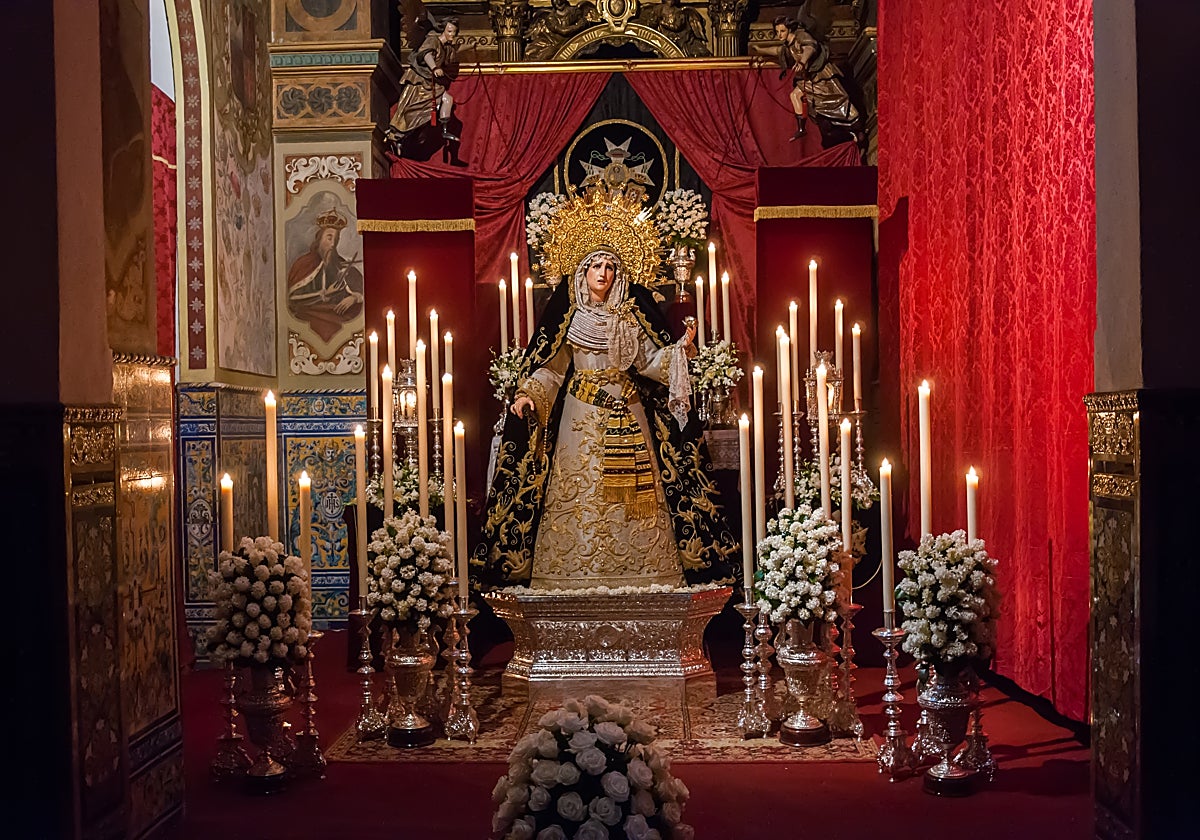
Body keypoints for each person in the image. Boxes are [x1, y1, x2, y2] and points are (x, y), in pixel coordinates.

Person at [475, 243, 738, 591]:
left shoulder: (629, 317)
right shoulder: (570, 319)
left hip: (629, 415)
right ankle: (571, 574)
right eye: (595, 266)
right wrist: (529, 395)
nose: (603, 273)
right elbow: (551, 371)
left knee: (638, 495)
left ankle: (646, 573)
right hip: (581, 417)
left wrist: (678, 353)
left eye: (610, 267)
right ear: (582, 273)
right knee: (579, 494)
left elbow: (648, 364)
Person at [774, 15, 861, 145]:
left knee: (837, 102)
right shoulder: (787, 47)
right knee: (795, 95)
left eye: (782, 31)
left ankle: (852, 131)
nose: (779, 35)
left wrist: (803, 62)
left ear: (790, 29)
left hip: (821, 77)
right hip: (809, 81)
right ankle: (802, 128)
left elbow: (810, 47)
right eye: (777, 32)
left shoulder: (801, 36)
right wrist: (758, 51)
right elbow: (775, 51)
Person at [286, 210, 363, 343]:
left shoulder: (341, 265)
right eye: (329, 238)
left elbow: (361, 290)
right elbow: (293, 300)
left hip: (338, 319)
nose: (333, 244)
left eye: (336, 239)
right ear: (319, 239)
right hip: (311, 317)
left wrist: (354, 297)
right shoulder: (303, 264)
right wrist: (325, 294)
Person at [387, 18, 460, 150]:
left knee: (448, 100)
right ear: (443, 30)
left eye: (454, 32)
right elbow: (426, 55)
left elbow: (456, 52)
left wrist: (471, 48)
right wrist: (434, 68)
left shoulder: (447, 48)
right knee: (413, 111)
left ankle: (444, 131)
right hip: (420, 82)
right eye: (450, 31)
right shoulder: (433, 40)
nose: (452, 35)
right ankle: (398, 135)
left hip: (432, 84)